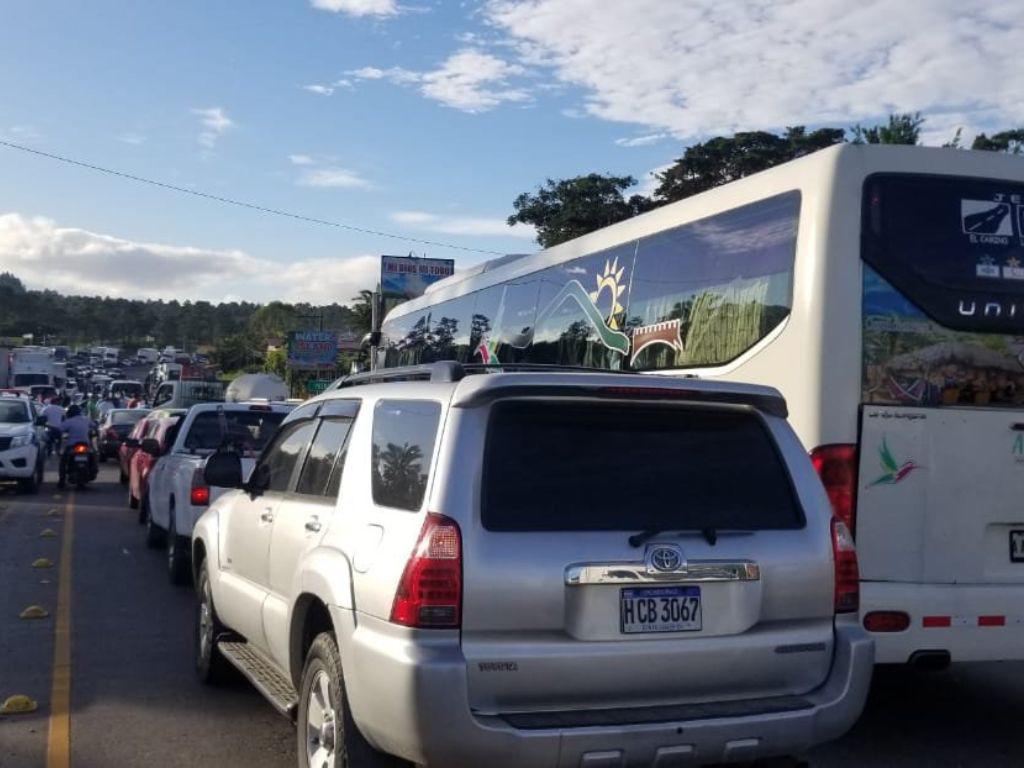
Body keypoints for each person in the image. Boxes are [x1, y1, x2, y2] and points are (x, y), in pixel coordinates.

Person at [57, 404, 97, 489]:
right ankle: (93, 470)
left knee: (63, 461)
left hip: (72, 445)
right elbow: (94, 426)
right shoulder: (86, 419)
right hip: (85, 444)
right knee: (94, 456)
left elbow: (60, 429)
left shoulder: (69, 421)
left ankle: (61, 481)